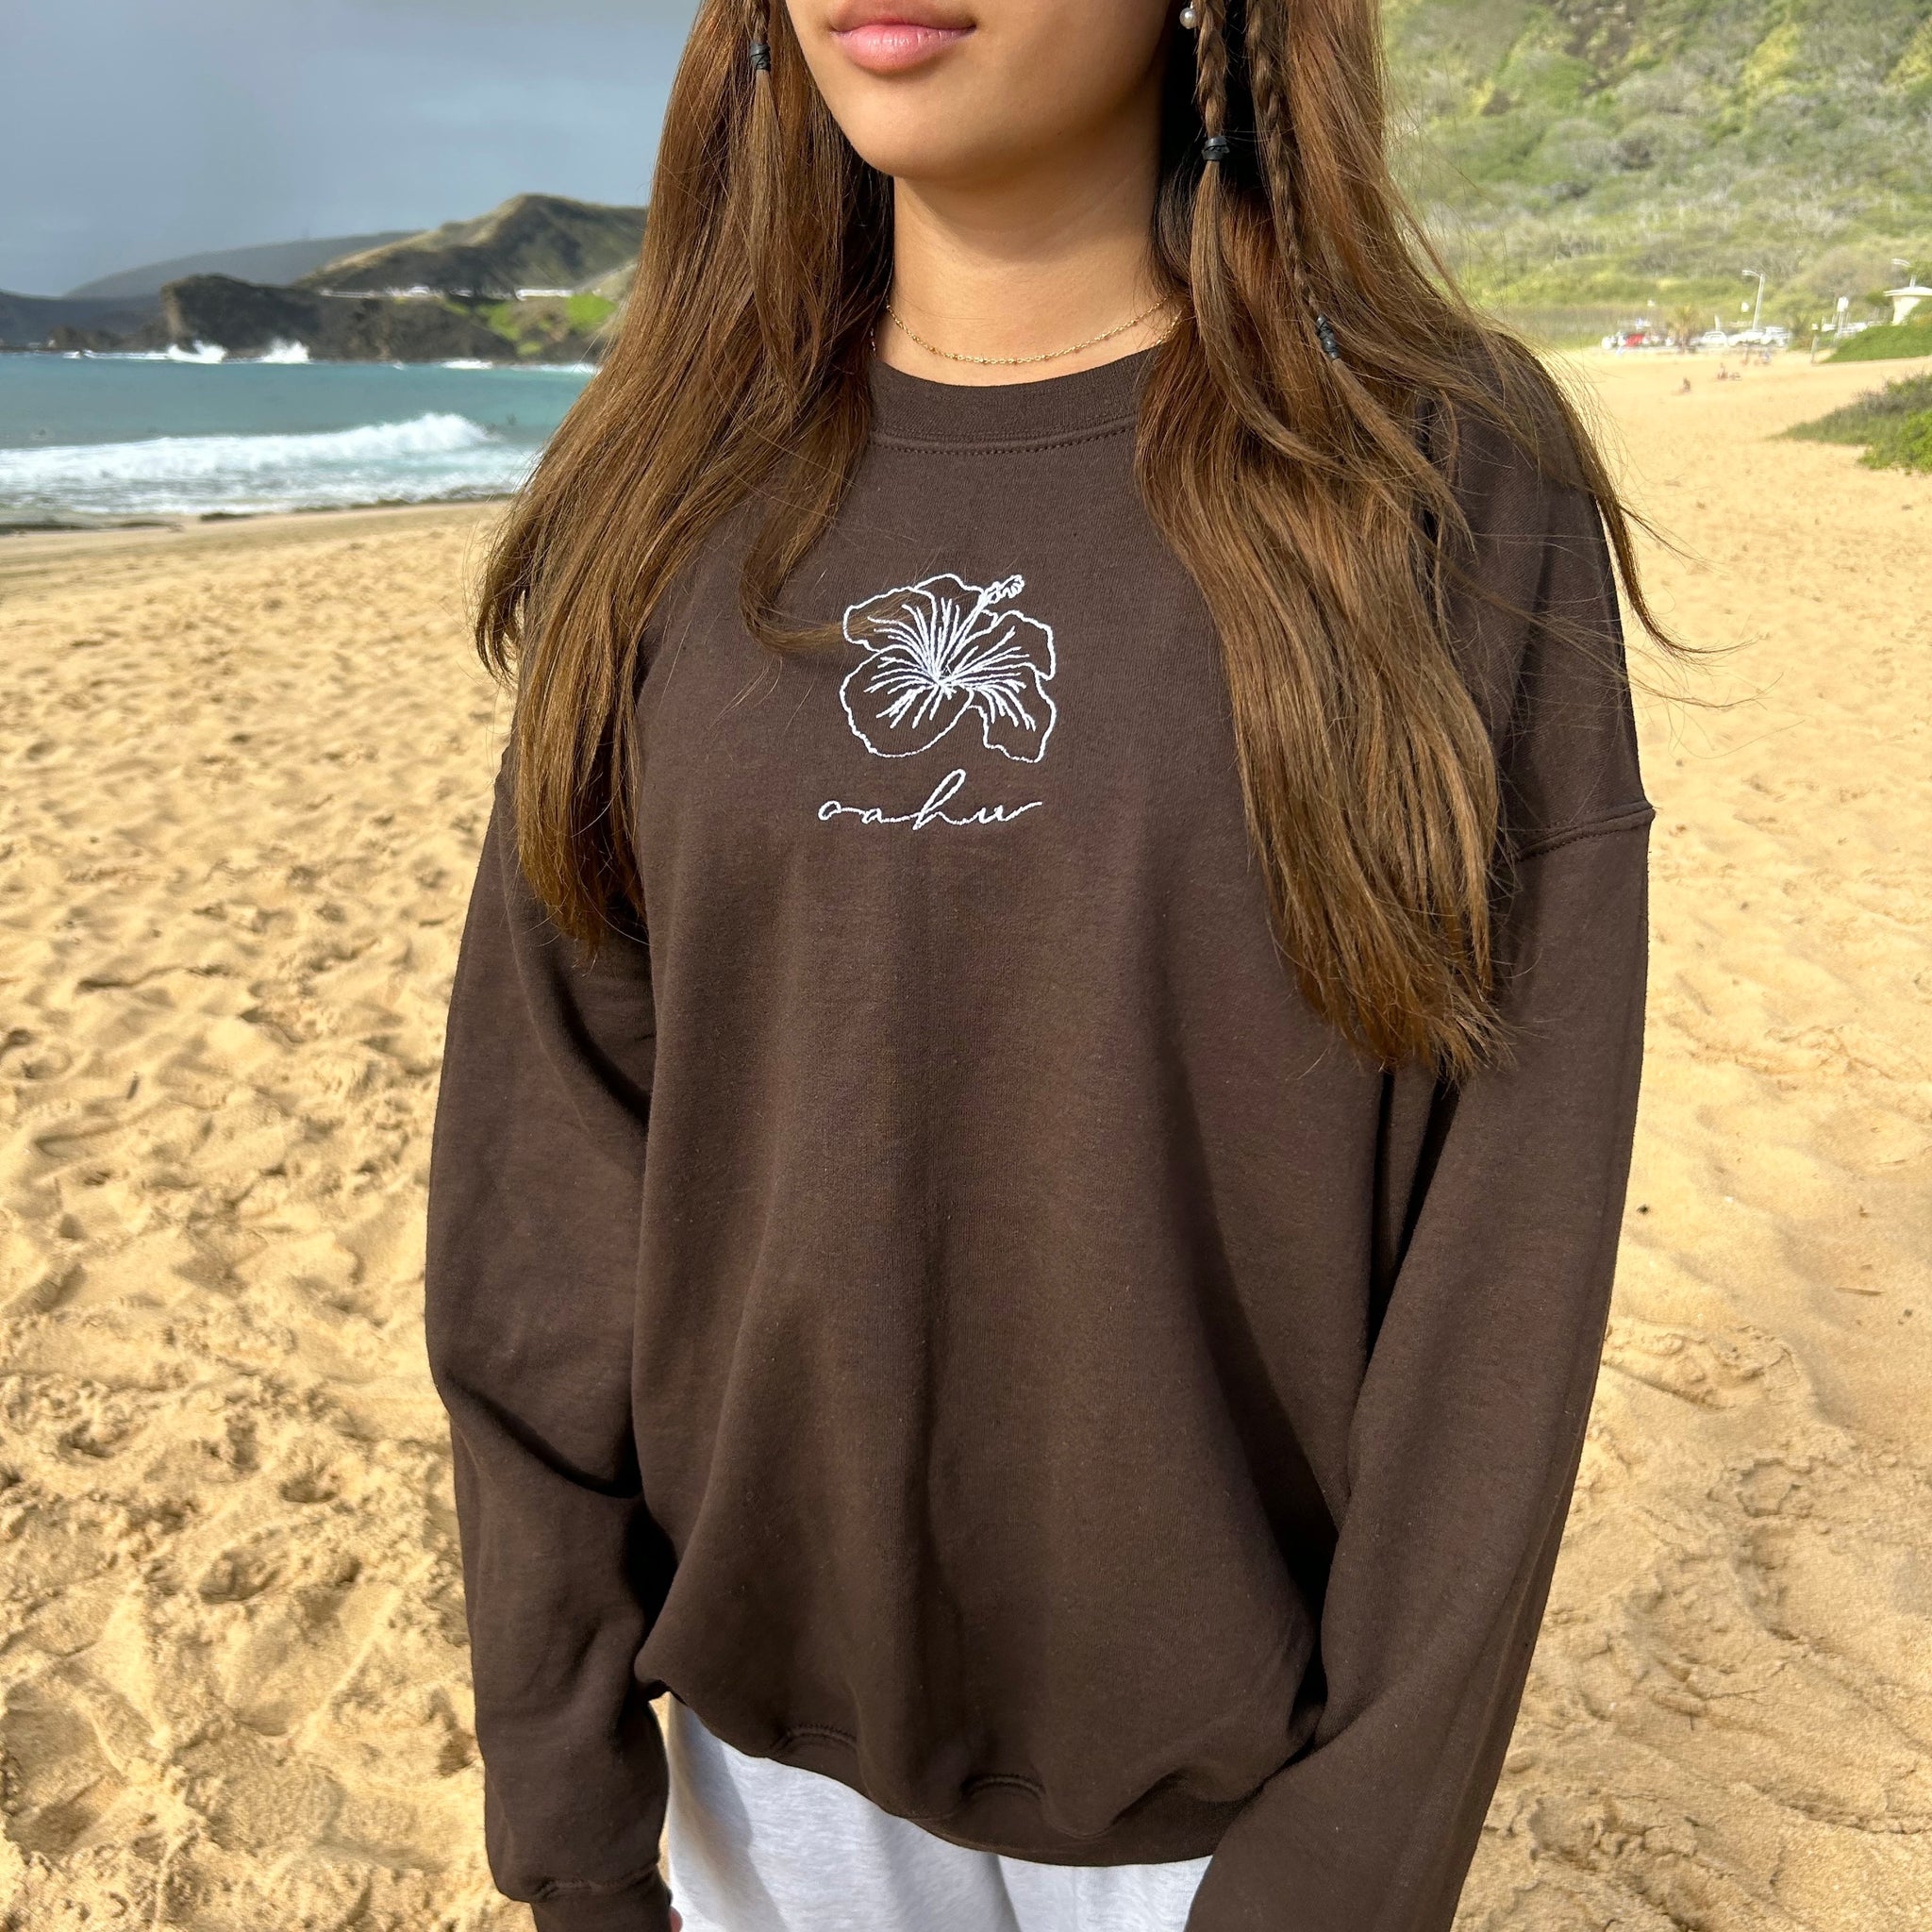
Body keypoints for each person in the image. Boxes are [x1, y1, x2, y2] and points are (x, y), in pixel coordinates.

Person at [423, 2, 1674, 1928]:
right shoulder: (666, 476)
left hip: (1238, 1795)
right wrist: (564, 1782)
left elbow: (1505, 1253)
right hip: (764, 1773)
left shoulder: (1441, 472)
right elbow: (547, 1176)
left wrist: (1347, 1859)